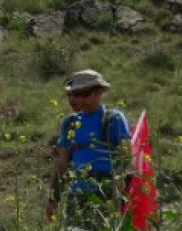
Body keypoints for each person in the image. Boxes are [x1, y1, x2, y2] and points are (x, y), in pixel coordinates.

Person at [47, 70, 130, 221]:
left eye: (84, 94)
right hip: (76, 195)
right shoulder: (69, 123)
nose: (78, 100)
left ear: (98, 92)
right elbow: (62, 164)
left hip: (105, 192)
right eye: (73, 95)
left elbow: (126, 156)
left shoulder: (113, 119)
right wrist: (53, 200)